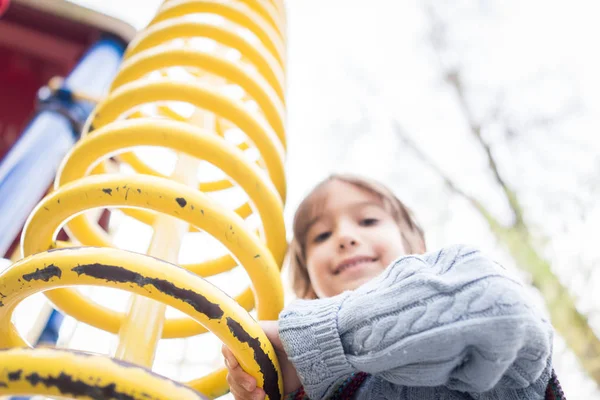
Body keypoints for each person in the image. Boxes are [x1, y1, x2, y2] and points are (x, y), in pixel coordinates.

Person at [222, 174, 562, 400]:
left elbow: (501, 312)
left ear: (414, 246)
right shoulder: (306, 387)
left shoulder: (457, 298)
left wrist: (318, 340)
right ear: (308, 282)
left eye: (368, 220)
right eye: (321, 236)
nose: (344, 237)